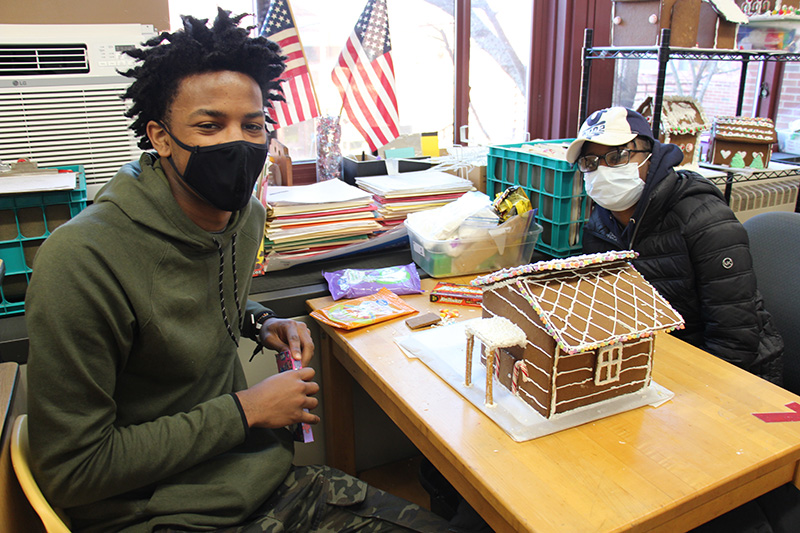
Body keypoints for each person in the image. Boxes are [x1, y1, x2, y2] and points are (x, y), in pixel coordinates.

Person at [25, 10, 451, 533]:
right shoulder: (81, 262)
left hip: (259, 481)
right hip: (160, 515)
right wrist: (246, 410)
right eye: (209, 126)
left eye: (252, 125)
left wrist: (258, 321)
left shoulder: (244, 217)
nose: (238, 142)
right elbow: (73, 471)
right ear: (159, 137)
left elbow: (186, 297)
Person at [567, 107, 783, 385]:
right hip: (658, 357)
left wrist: (680, 389)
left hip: (734, 371)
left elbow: (735, 342)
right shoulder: (600, 222)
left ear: (649, 155)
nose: (602, 170)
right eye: (590, 162)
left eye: (618, 156)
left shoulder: (704, 218)